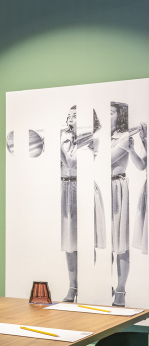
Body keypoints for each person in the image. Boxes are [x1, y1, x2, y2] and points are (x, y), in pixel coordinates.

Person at [59, 106, 106, 303]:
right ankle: (72, 286)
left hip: (83, 188)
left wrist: (58, 143)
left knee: (85, 242)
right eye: (69, 114)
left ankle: (87, 285)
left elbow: (71, 162)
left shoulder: (92, 138)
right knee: (70, 244)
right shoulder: (67, 139)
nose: (70, 117)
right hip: (66, 188)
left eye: (75, 115)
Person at [108, 102, 147, 306]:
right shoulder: (102, 136)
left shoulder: (124, 137)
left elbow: (105, 160)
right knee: (104, 244)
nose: (107, 115)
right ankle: (104, 285)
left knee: (120, 243)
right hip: (100, 189)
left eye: (111, 112)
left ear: (120, 116)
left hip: (116, 188)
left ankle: (121, 290)